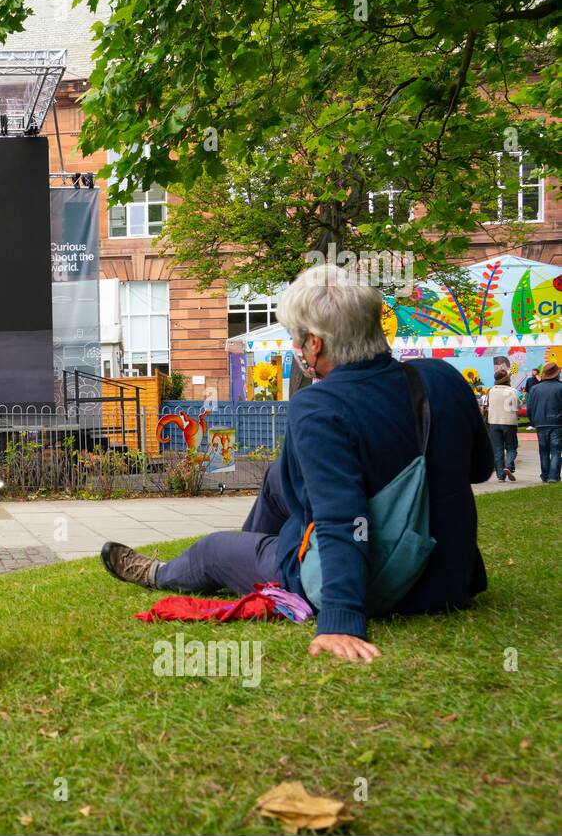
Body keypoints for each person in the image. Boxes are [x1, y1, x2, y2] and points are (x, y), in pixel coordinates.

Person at [101, 264, 493, 663]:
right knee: (276, 477)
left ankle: (163, 573)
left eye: (295, 337)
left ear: (315, 344)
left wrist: (341, 619)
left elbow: (343, 519)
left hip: (393, 584)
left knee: (213, 551)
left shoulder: (320, 405)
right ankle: (254, 564)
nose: (295, 345)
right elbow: (481, 468)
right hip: (452, 577)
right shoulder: (441, 377)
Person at [526, 361, 562, 483]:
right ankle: (553, 476)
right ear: (557, 374)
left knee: (543, 451)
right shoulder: (560, 387)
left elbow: (529, 408)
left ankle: (545, 475)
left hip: (540, 423)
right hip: (557, 422)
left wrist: (532, 421)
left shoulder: (534, 389)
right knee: (556, 450)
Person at [485, 369, 518, 482]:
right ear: (507, 379)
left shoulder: (490, 390)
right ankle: (508, 466)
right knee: (511, 447)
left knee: (497, 449)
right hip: (509, 422)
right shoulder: (512, 390)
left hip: (493, 421)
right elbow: (516, 407)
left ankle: (500, 476)